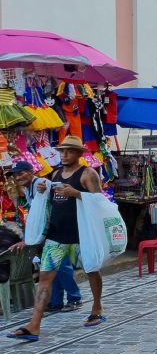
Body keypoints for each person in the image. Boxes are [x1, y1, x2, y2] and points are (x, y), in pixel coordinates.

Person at [7, 137, 106, 342]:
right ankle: (34, 325)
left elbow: (100, 202)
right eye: (62, 151)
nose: (64, 155)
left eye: (69, 151)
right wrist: (44, 192)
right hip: (56, 235)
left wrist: (77, 193)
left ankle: (97, 306)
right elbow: (51, 203)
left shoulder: (88, 173)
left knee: (92, 270)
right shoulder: (55, 174)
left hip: (82, 234)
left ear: (79, 153)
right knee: (45, 278)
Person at [6, 161, 83, 312]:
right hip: (46, 232)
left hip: (57, 230)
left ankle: (75, 298)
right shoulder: (28, 189)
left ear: (31, 171)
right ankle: (56, 301)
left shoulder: (41, 183)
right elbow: (36, 215)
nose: (18, 177)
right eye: (15, 175)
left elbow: (53, 201)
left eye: (21, 173)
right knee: (50, 267)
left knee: (61, 266)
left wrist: (28, 240)